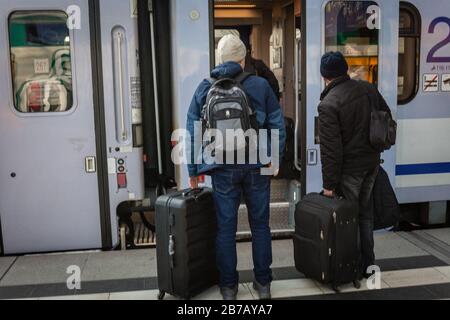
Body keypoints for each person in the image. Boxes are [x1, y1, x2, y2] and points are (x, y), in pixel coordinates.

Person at [186, 35, 286, 300]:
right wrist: (274, 157)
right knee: (261, 227)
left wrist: (193, 169)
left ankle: (228, 288)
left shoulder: (204, 87)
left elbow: (193, 130)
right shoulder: (261, 85)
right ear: (243, 59)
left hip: (221, 167)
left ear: (220, 59)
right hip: (257, 164)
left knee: (225, 229)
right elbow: (277, 122)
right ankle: (263, 285)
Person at [317, 51, 392, 278]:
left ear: (324, 76)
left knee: (349, 218)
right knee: (364, 214)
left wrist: (329, 185)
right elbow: (385, 117)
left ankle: (351, 267)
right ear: (345, 70)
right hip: (371, 164)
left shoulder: (328, 104)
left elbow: (331, 150)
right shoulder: (368, 89)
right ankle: (368, 264)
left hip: (350, 171)